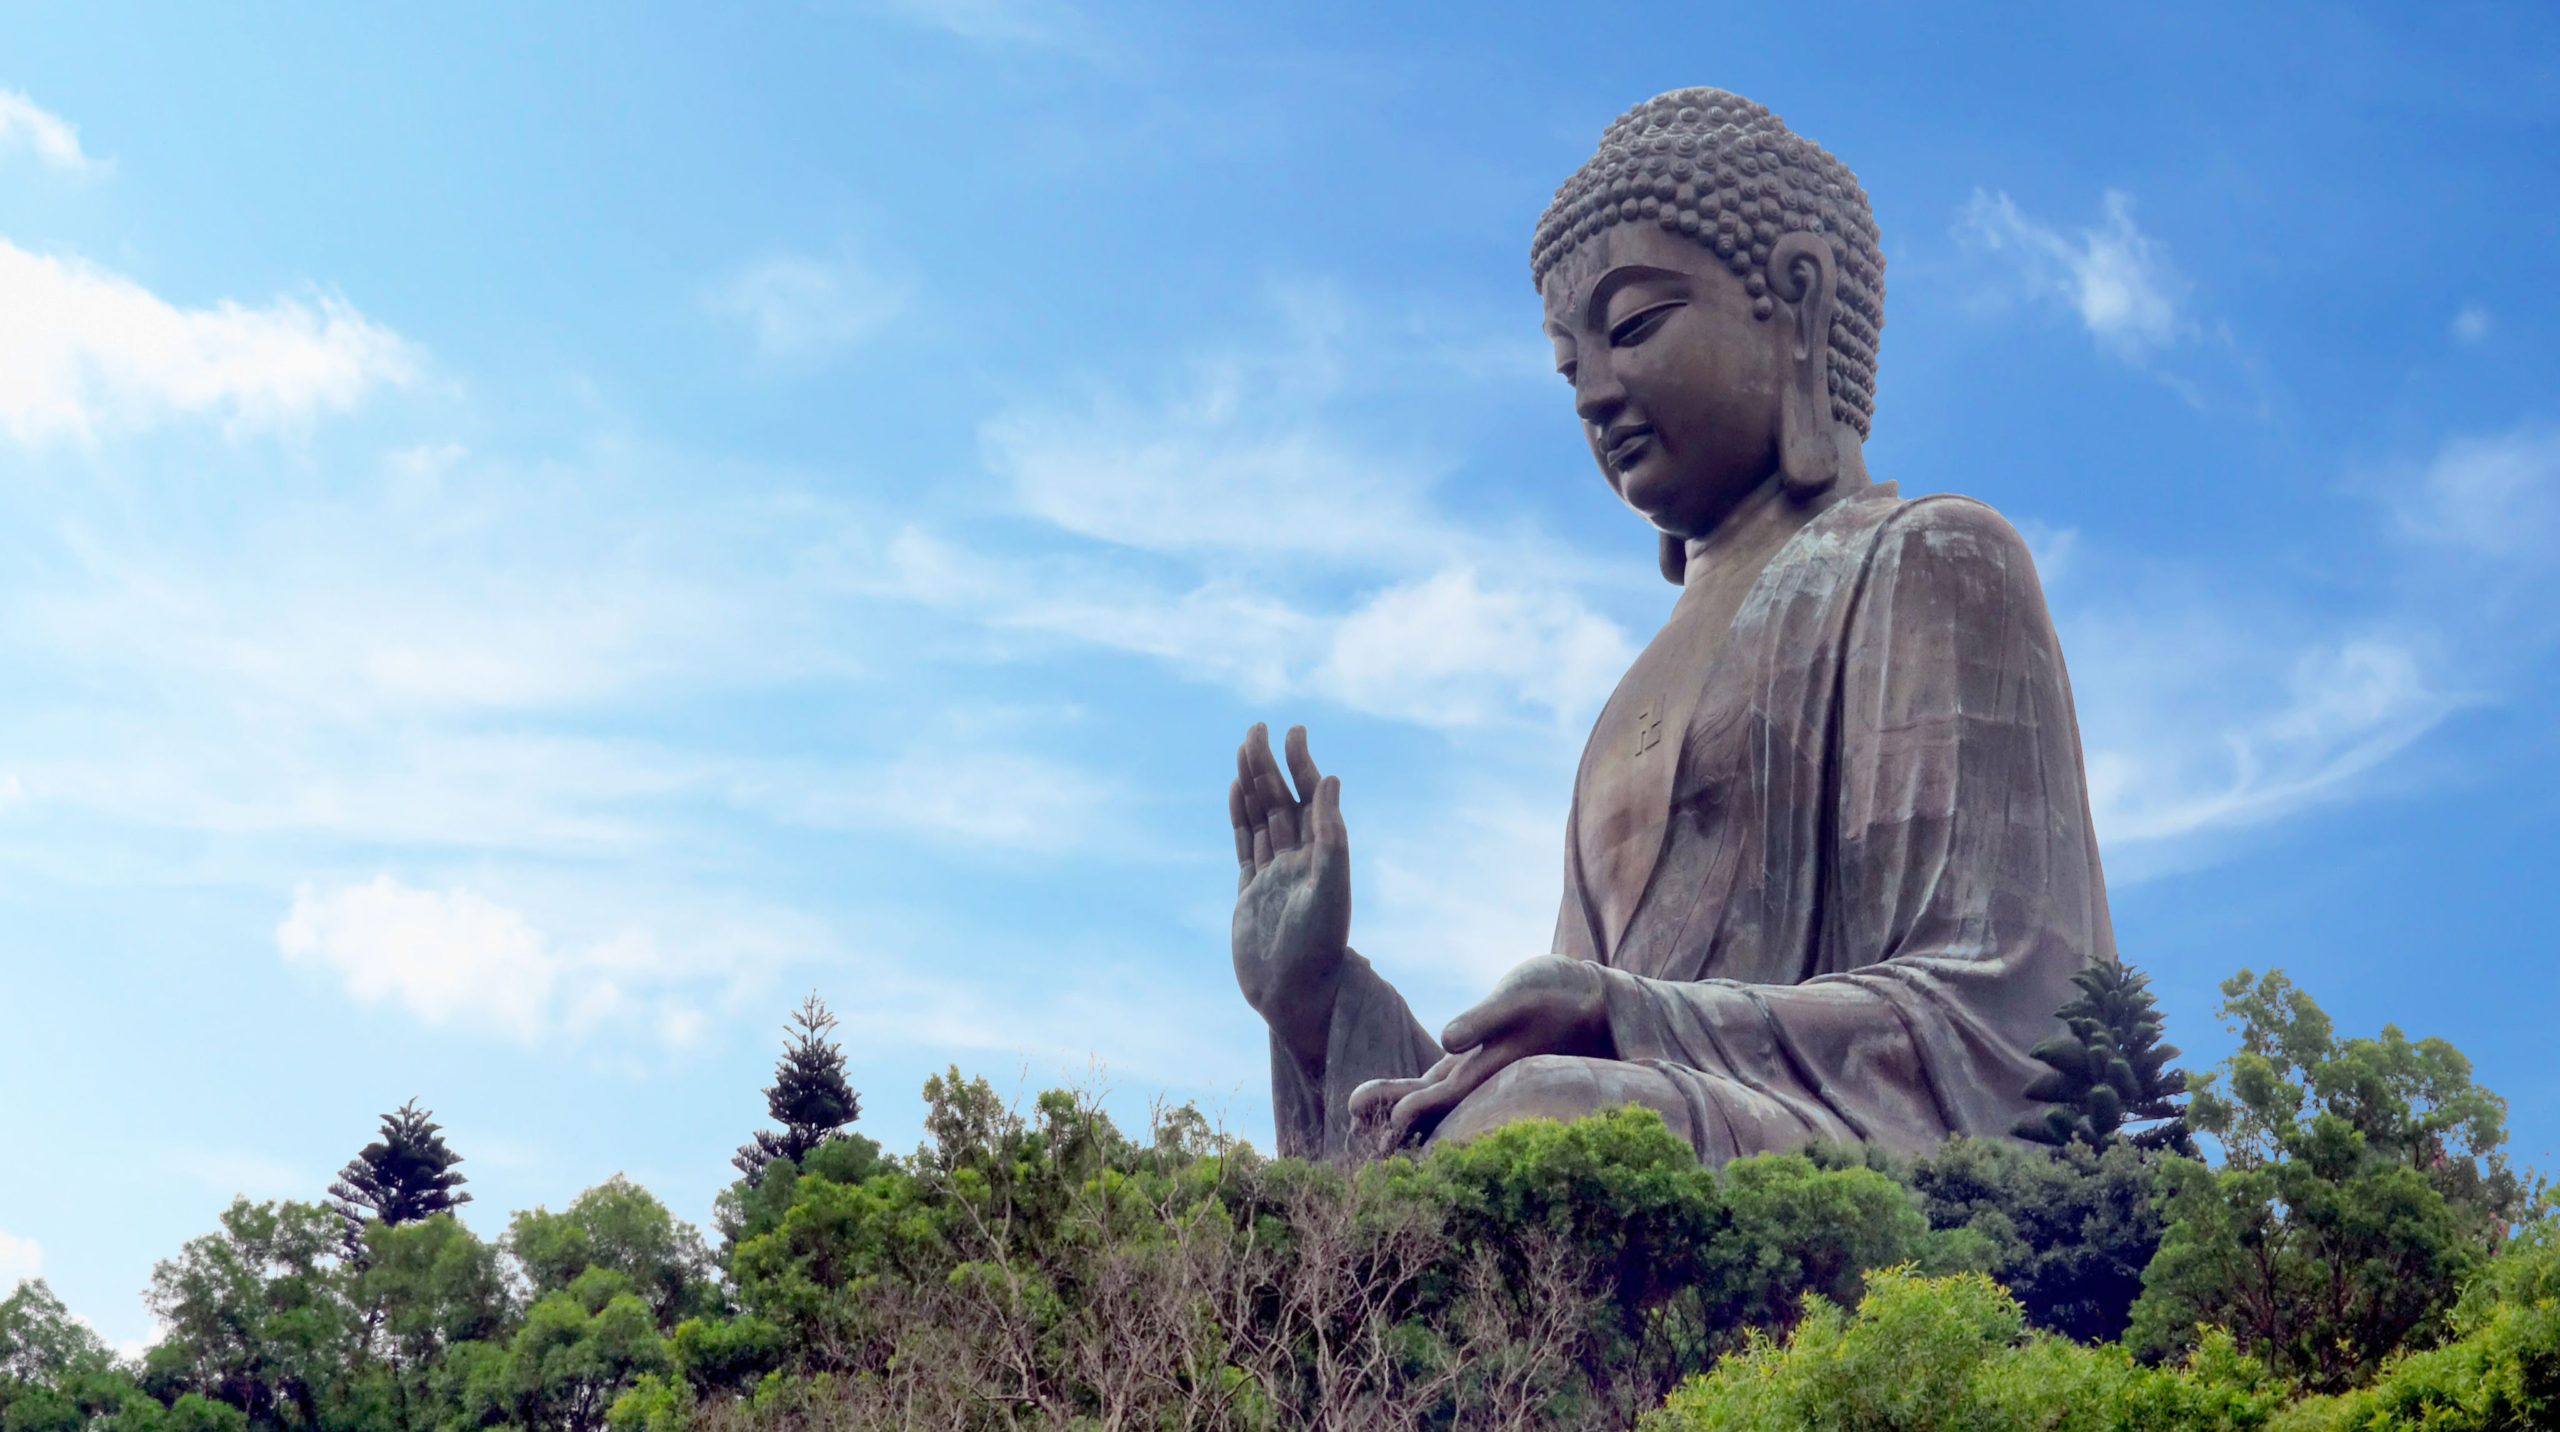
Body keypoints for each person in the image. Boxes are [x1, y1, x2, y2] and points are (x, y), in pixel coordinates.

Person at [1228, 87, 2112, 1165]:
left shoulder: (1935, 562)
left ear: (1793, 298)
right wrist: (1319, 1005)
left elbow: (2006, 1036)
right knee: (1515, 1127)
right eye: (1568, 366)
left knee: (1546, 1119)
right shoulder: (1626, 704)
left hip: (1876, 1174)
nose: (1594, 393)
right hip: (1672, 1131)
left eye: (1634, 327)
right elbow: (1539, 1070)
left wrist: (1625, 1015)